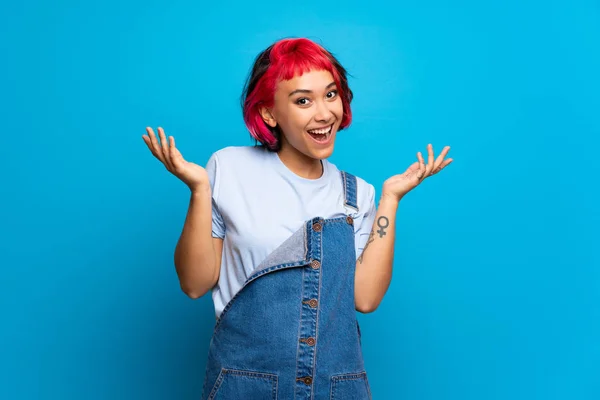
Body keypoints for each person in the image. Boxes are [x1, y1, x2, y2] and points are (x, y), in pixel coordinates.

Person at [142, 37, 452, 400]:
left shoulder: (357, 195)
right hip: (246, 386)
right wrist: (199, 190)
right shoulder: (229, 168)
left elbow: (365, 299)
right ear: (269, 113)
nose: (323, 114)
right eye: (302, 100)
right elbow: (195, 283)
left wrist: (390, 199)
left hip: (336, 389)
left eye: (331, 94)